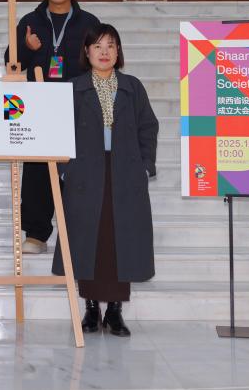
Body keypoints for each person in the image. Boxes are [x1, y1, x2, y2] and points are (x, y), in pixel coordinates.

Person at [52, 24, 158, 338]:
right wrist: (65, 169)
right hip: (85, 173)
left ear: (118, 51)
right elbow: (58, 129)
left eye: (111, 45)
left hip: (124, 172)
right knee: (89, 239)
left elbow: (148, 127)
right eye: (97, 46)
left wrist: (145, 166)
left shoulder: (132, 87)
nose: (104, 52)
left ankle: (114, 310)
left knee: (119, 239)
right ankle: (90, 308)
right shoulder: (74, 88)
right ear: (87, 52)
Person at [5, 0, 100, 254]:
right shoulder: (30, 21)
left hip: (78, 103)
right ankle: (36, 235)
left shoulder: (89, 23)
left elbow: (100, 59)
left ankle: (80, 232)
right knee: (38, 169)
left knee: (79, 168)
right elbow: (11, 61)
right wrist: (27, 48)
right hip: (39, 105)